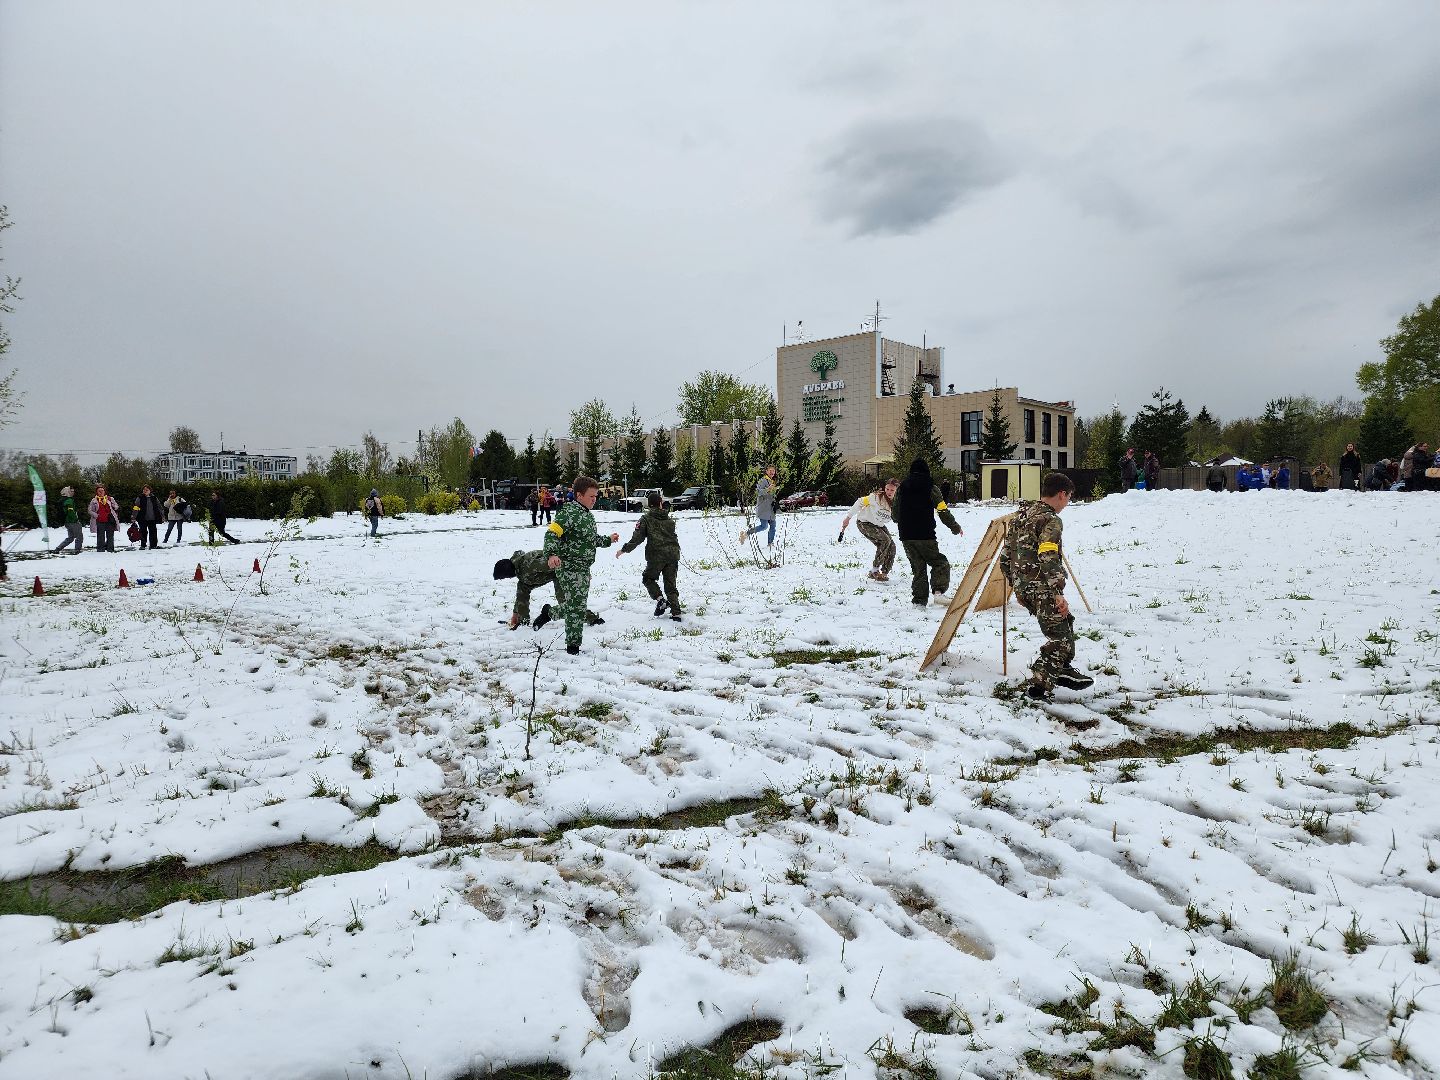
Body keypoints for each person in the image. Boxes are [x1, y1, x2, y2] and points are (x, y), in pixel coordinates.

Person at [998, 472, 1091, 700]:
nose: (1067, 502)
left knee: (1065, 624)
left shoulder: (1020, 516)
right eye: (1068, 497)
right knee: (1059, 639)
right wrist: (1058, 592)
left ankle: (1062, 670)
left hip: (1025, 588)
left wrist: (1017, 588)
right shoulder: (1051, 520)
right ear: (1061, 494)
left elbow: (1005, 557)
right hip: (1043, 588)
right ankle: (1037, 687)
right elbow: (1048, 554)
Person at [543, 476, 619, 655]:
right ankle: (573, 647)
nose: (594, 499)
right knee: (576, 606)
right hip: (568, 566)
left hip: (583, 568)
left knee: (575, 605)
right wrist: (552, 553)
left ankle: (549, 613)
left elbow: (591, 540)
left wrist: (608, 540)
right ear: (579, 495)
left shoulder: (587, 516)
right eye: (591, 496)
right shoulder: (568, 513)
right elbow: (552, 534)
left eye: (596, 496)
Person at [894, 457, 963, 606]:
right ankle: (938, 592)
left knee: (918, 569)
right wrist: (955, 527)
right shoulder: (931, 487)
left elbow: (894, 514)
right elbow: (943, 511)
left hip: (906, 535)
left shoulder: (902, 487)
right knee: (940, 563)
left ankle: (919, 602)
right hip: (925, 534)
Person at [494, 551, 603, 630]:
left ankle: (593, 619)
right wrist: (515, 615)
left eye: (505, 577)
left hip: (560, 573)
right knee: (522, 591)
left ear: (508, 572)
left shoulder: (530, 565)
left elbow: (559, 561)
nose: (507, 579)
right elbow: (520, 598)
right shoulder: (520, 571)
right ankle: (522, 621)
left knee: (565, 604)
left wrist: (581, 573)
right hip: (542, 576)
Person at [617, 491, 682, 620]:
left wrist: (624, 550)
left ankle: (660, 599)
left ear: (649, 504)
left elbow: (637, 538)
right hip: (673, 555)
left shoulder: (645, 519)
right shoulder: (669, 519)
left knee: (648, 579)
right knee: (670, 585)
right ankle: (676, 612)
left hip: (656, 556)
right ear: (660, 504)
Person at [840, 478, 898, 581]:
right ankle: (874, 571)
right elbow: (859, 502)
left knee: (892, 546)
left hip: (878, 525)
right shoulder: (875, 497)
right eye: (887, 489)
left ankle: (884, 573)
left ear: (897, 490)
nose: (889, 492)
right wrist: (848, 518)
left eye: (892, 490)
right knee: (885, 540)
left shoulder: (897, 502)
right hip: (864, 523)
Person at [739, 464, 778, 548]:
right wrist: (768, 489)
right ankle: (746, 534)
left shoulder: (772, 481)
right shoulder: (762, 480)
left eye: (773, 471)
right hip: (763, 508)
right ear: (766, 471)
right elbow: (758, 492)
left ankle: (770, 543)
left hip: (771, 508)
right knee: (764, 526)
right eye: (770, 470)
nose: (772, 472)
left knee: (773, 526)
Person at [53, 485, 84, 554]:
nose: (73, 493)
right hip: (72, 521)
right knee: (79, 536)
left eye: (73, 491)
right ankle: (77, 550)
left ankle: (58, 548)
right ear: (67, 492)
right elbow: (71, 512)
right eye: (71, 491)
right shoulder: (69, 500)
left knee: (70, 538)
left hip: (67, 522)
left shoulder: (63, 500)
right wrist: (75, 520)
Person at [89, 485, 119, 552]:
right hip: (100, 520)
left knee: (110, 536)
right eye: (99, 491)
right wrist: (96, 515)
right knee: (100, 536)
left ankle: (110, 548)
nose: (101, 492)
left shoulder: (110, 498)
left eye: (102, 490)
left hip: (110, 520)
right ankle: (100, 549)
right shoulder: (94, 500)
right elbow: (90, 510)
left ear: (104, 491)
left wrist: (114, 506)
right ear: (97, 492)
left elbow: (116, 506)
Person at [133, 485, 164, 550]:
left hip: (152, 518)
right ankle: (143, 545)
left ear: (150, 491)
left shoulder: (154, 498)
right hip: (142, 518)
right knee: (143, 532)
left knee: (153, 532)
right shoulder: (140, 498)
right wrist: (133, 516)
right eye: (144, 490)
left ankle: (153, 545)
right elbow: (136, 507)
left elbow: (159, 507)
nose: (145, 491)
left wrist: (162, 516)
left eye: (147, 490)